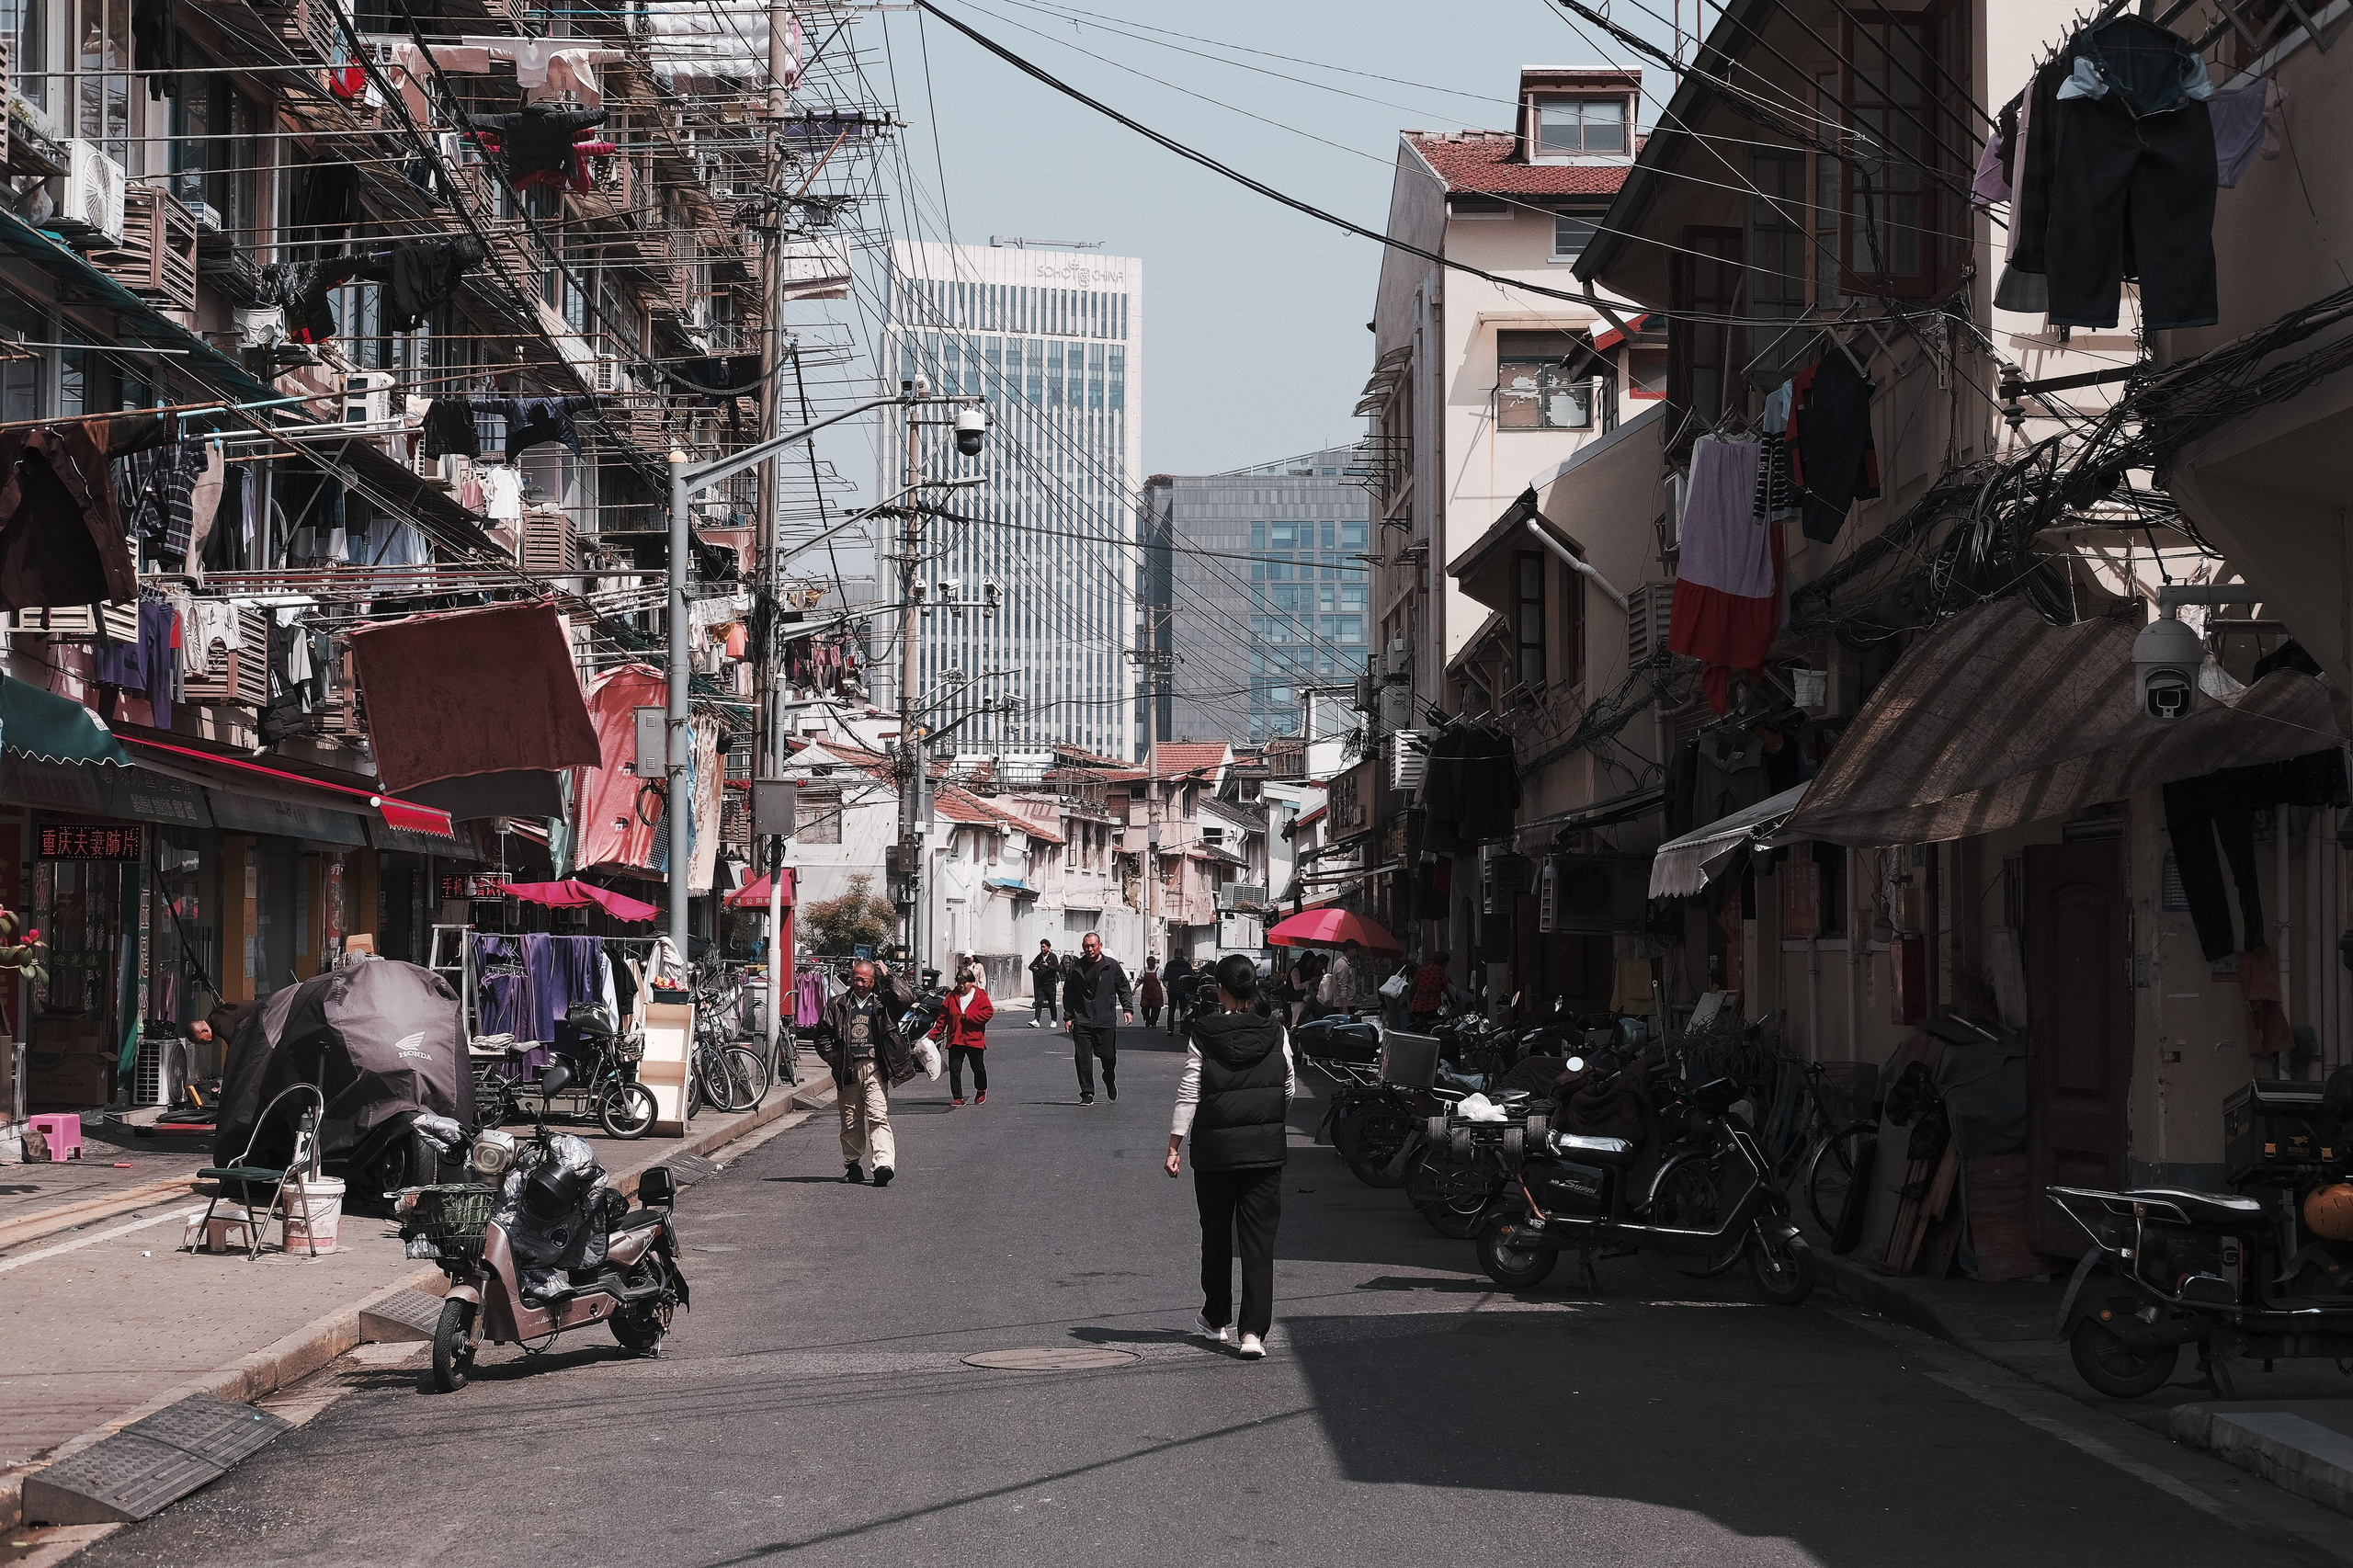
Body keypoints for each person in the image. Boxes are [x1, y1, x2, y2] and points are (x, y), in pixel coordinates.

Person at [1165, 952, 1294, 1359]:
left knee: (1217, 1235)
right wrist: (1267, 1122)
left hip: (1215, 1152)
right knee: (1258, 1243)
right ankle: (1253, 1332)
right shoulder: (1276, 1032)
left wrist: (1174, 1144)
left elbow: (1191, 1090)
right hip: (1265, 1151)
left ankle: (1216, 1318)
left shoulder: (1204, 1033)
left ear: (1221, 989)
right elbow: (1288, 1087)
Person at [814, 959, 915, 1185]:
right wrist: (835, 1059)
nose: (859, 983)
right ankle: (853, 1165)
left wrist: (889, 976)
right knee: (850, 1120)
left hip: (875, 1068)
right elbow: (822, 1036)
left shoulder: (884, 1003)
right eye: (855, 978)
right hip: (847, 1069)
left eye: (864, 979)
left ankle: (883, 1164)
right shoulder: (837, 1004)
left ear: (873, 980)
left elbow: (907, 998)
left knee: (878, 1115)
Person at [1061, 931, 1134, 1104]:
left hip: (1105, 1019)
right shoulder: (1076, 967)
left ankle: (1109, 1078)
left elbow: (1123, 988)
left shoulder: (1111, 966)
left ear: (1100, 946)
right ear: (1082, 947)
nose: (1090, 949)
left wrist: (1127, 1009)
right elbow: (1068, 993)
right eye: (1086, 946)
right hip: (1082, 1019)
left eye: (1093, 945)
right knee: (1082, 1058)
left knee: (1108, 1056)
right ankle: (1087, 1093)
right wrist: (1068, 1016)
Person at [931, 963, 995, 1107]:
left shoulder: (980, 995)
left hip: (974, 1039)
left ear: (971, 982)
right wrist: (932, 1035)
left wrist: (969, 1016)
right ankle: (957, 1096)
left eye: (965, 983)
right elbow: (942, 1019)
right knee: (955, 1069)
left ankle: (981, 1089)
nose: (962, 986)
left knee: (978, 1068)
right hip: (955, 1039)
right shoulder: (950, 997)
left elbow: (988, 1013)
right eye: (959, 983)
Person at [1407, 951, 1452, 1029]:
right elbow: (1449, 992)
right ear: (1445, 963)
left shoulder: (1423, 970)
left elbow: (1413, 988)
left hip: (1416, 1005)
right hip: (1433, 1007)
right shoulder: (1443, 975)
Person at [1028, 939, 1060, 1028]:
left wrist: (1047, 966)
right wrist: (1034, 968)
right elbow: (1030, 966)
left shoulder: (1053, 957)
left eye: (1044, 947)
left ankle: (1054, 1020)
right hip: (1041, 984)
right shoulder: (1039, 957)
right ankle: (1036, 1020)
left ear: (1048, 948)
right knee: (1039, 1002)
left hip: (1050, 984)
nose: (1042, 949)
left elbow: (1057, 968)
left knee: (1052, 1003)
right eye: (1041, 947)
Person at [1162, 953, 1197, 1036]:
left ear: (1174, 954)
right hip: (1183, 991)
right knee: (1183, 1010)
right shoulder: (1187, 965)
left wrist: (1167, 987)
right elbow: (1191, 977)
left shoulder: (1169, 964)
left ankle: (1170, 1030)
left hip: (1172, 991)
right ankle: (1182, 1029)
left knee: (1171, 1011)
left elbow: (1165, 978)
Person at [1139, 960, 1165, 1028]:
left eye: (1152, 964)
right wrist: (1134, 988)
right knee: (1144, 1007)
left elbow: (1164, 980)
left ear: (1154, 963)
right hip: (1146, 993)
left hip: (1156, 993)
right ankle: (1148, 1019)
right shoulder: (1144, 970)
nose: (1150, 965)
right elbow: (1139, 980)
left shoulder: (1159, 970)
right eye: (1149, 964)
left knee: (1156, 1009)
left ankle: (1153, 1023)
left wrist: (1167, 987)